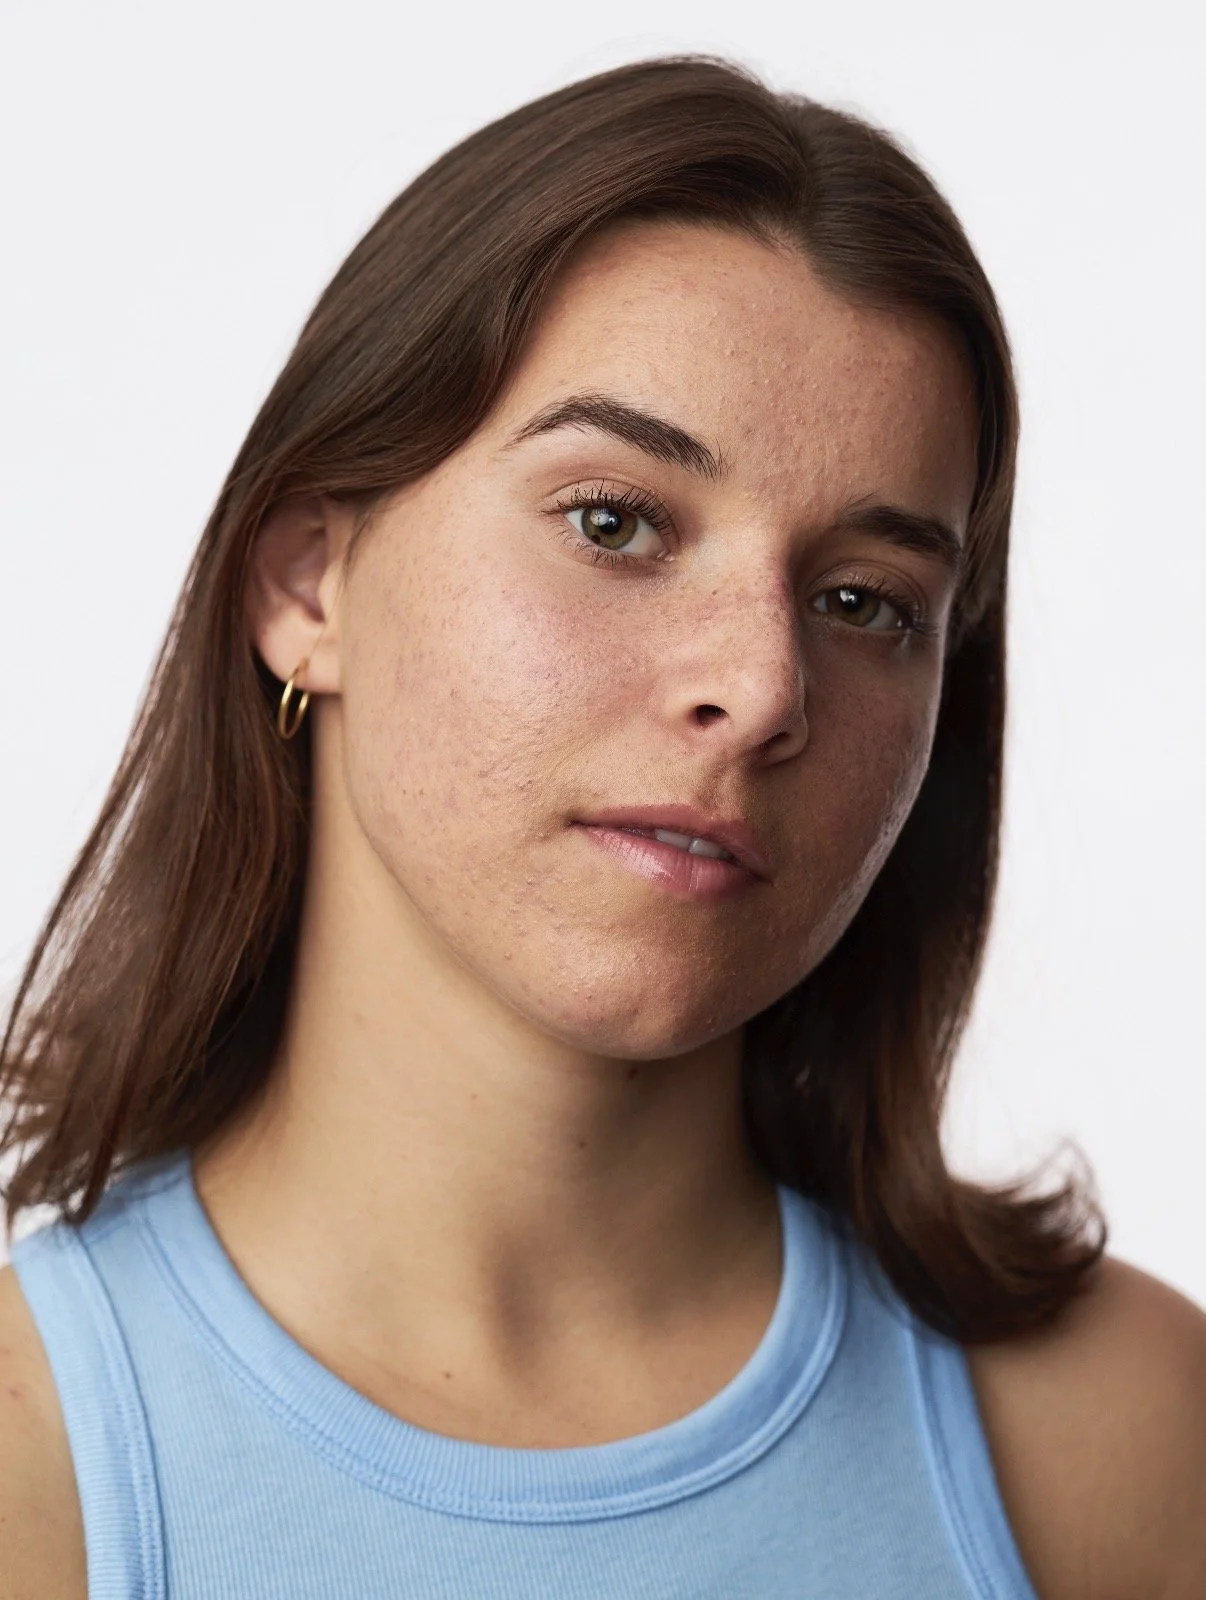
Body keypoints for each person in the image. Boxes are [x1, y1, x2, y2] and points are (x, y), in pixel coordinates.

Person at [1, 54, 1203, 1600]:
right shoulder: (37, 1470)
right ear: (309, 586)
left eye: (862, 602)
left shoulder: (1124, 1448)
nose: (761, 685)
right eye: (614, 522)